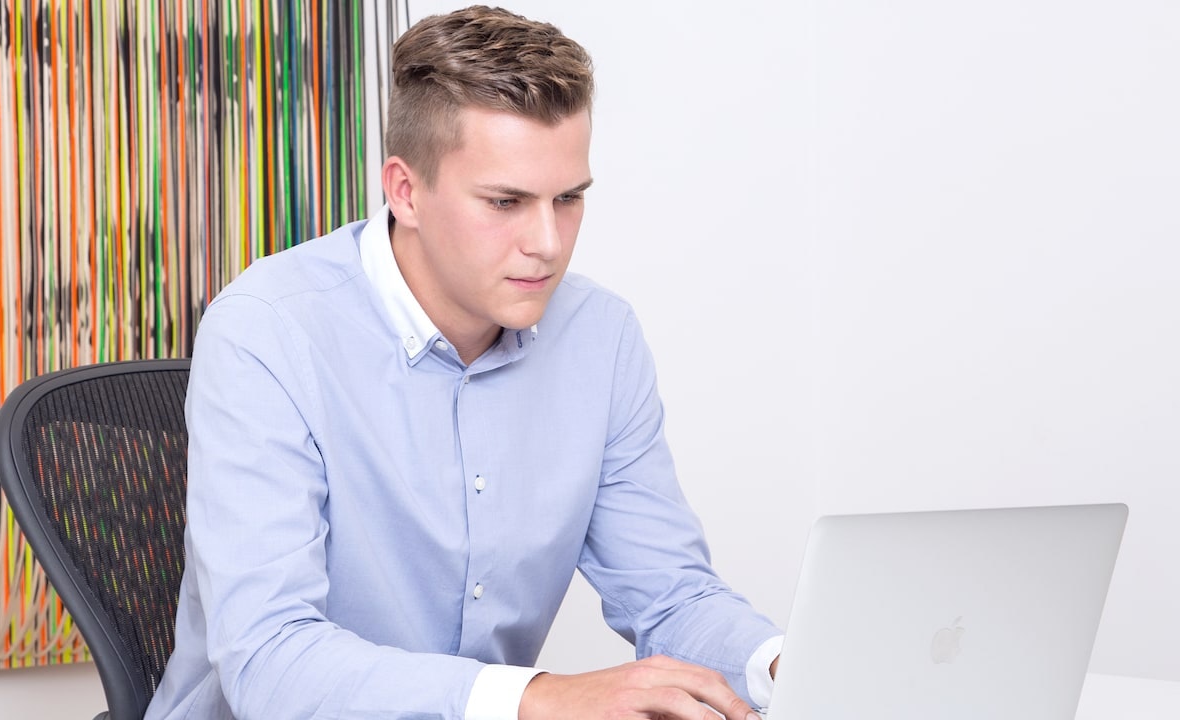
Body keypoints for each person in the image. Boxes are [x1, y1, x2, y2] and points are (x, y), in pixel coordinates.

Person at [146, 6, 783, 719]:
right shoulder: (267, 332)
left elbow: (672, 595)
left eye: (568, 199)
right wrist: (535, 697)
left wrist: (786, 665)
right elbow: (272, 662)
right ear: (405, 191)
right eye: (506, 201)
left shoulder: (601, 338)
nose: (547, 242)